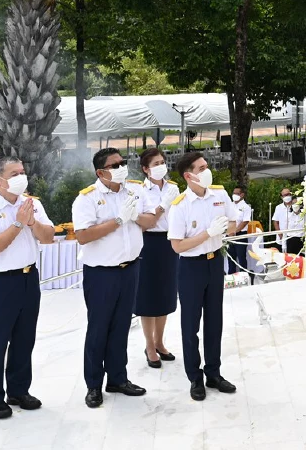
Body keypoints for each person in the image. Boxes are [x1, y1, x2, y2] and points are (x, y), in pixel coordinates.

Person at [0, 156, 55, 419]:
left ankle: (18, 390)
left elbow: (48, 237)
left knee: (24, 338)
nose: (21, 177)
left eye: (22, 171)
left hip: (28, 278)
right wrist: (18, 223)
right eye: (14, 173)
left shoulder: (33, 204)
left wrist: (31, 222)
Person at [71, 148, 148, 408]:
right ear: (101, 172)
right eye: (115, 165)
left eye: (123, 162)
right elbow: (82, 235)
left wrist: (138, 215)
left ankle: (118, 377)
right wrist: (117, 220)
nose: (122, 167)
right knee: (98, 329)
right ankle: (94, 385)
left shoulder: (134, 190)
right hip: (102, 273)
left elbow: (148, 222)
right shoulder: (88, 199)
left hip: (130, 269)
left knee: (121, 327)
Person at [167, 151, 237, 401]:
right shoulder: (180, 206)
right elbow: (177, 246)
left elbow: (233, 222)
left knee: (215, 320)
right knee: (190, 325)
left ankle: (214, 373)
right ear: (189, 176)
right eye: (201, 168)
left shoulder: (218, 194)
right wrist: (207, 233)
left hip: (214, 262)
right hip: (190, 267)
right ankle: (195, 378)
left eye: (206, 166)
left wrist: (225, 229)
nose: (207, 171)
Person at [133, 147, 179, 369]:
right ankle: (149, 345)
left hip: (169, 242)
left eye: (162, 161)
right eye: (155, 164)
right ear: (145, 169)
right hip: (149, 243)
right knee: (148, 296)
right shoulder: (140, 191)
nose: (161, 166)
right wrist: (161, 207)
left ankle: (160, 342)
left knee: (166, 294)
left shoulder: (174, 188)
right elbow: (146, 222)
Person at [227, 184, 253, 277]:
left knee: (241, 257)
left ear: (242, 195)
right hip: (229, 235)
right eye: (233, 193)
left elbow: (245, 221)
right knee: (231, 257)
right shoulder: (230, 205)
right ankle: (231, 276)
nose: (234, 195)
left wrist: (235, 231)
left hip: (240, 234)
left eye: (237, 193)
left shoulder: (246, 207)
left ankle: (244, 276)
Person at [272, 187, 305, 255]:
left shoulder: (296, 206)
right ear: (282, 197)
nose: (287, 196)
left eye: (288, 194)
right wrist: (280, 235)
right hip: (281, 239)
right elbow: (275, 222)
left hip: (295, 238)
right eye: (285, 195)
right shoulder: (278, 208)